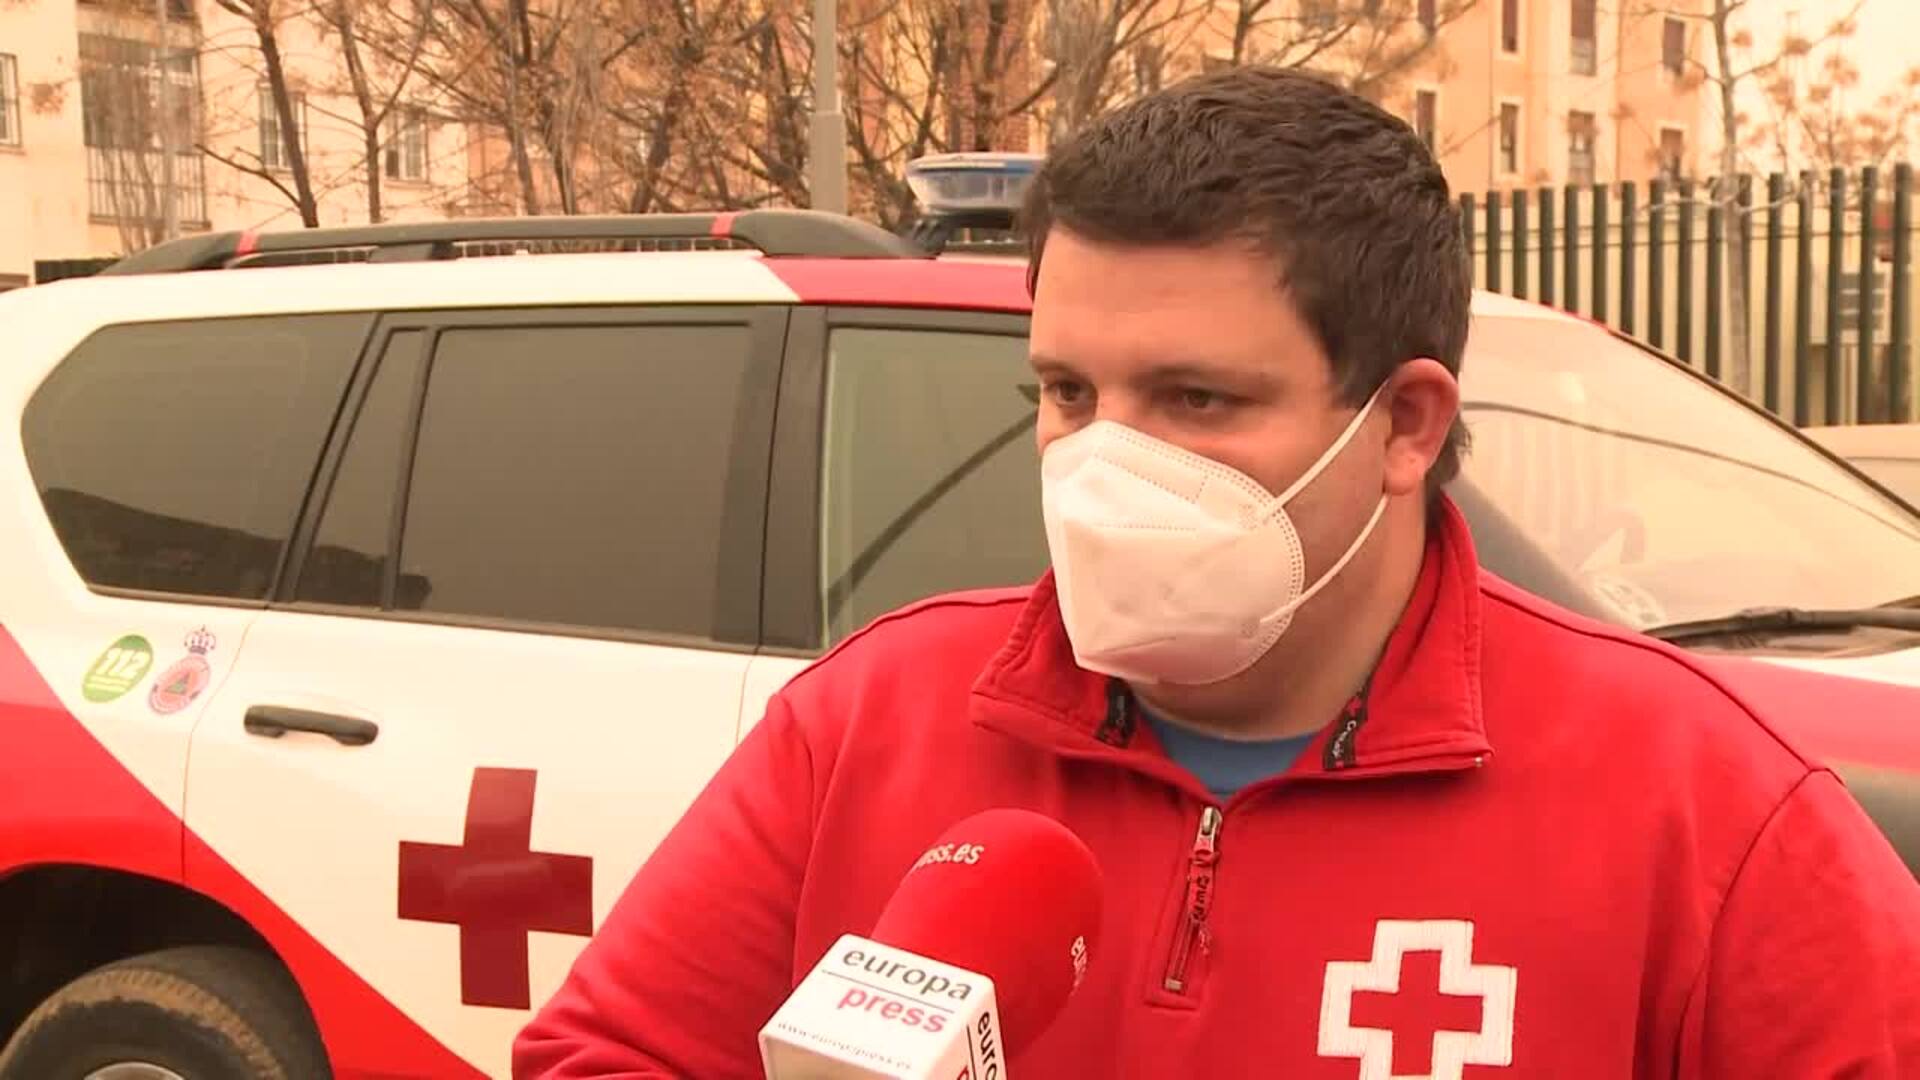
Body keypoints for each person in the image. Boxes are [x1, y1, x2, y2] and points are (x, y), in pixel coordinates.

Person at [513, 67, 1920, 1078]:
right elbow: (605, 1054)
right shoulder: (868, 722)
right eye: (1066, 393)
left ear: (1404, 426)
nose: (1104, 469)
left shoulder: (1700, 799)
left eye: (1195, 400)